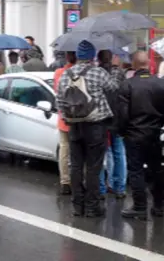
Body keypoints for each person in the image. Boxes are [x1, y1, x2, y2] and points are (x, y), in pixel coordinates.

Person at [55, 40, 122, 218]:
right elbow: (114, 87)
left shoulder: (66, 74)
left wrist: (68, 118)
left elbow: (59, 102)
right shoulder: (97, 72)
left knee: (76, 166)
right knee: (94, 167)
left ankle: (78, 206)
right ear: (92, 56)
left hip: (74, 126)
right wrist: (114, 70)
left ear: (77, 56)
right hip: (95, 125)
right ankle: (92, 206)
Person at [117, 51, 164, 219]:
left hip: (134, 134)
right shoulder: (161, 84)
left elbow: (123, 114)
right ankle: (159, 205)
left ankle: (140, 206)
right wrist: (158, 124)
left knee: (136, 171)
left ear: (134, 64)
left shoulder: (127, 85)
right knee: (156, 170)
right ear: (148, 64)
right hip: (153, 132)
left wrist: (122, 131)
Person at [97, 50, 126, 199]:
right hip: (118, 119)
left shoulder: (97, 74)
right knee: (119, 153)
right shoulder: (119, 73)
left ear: (98, 59)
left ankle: (101, 188)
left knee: (100, 155)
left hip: (102, 119)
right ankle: (119, 187)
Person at [53, 51, 77, 195]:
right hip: (81, 118)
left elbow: (57, 91)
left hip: (64, 118)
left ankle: (65, 182)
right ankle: (80, 181)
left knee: (64, 150)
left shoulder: (59, 73)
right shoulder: (84, 72)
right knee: (80, 152)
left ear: (67, 57)